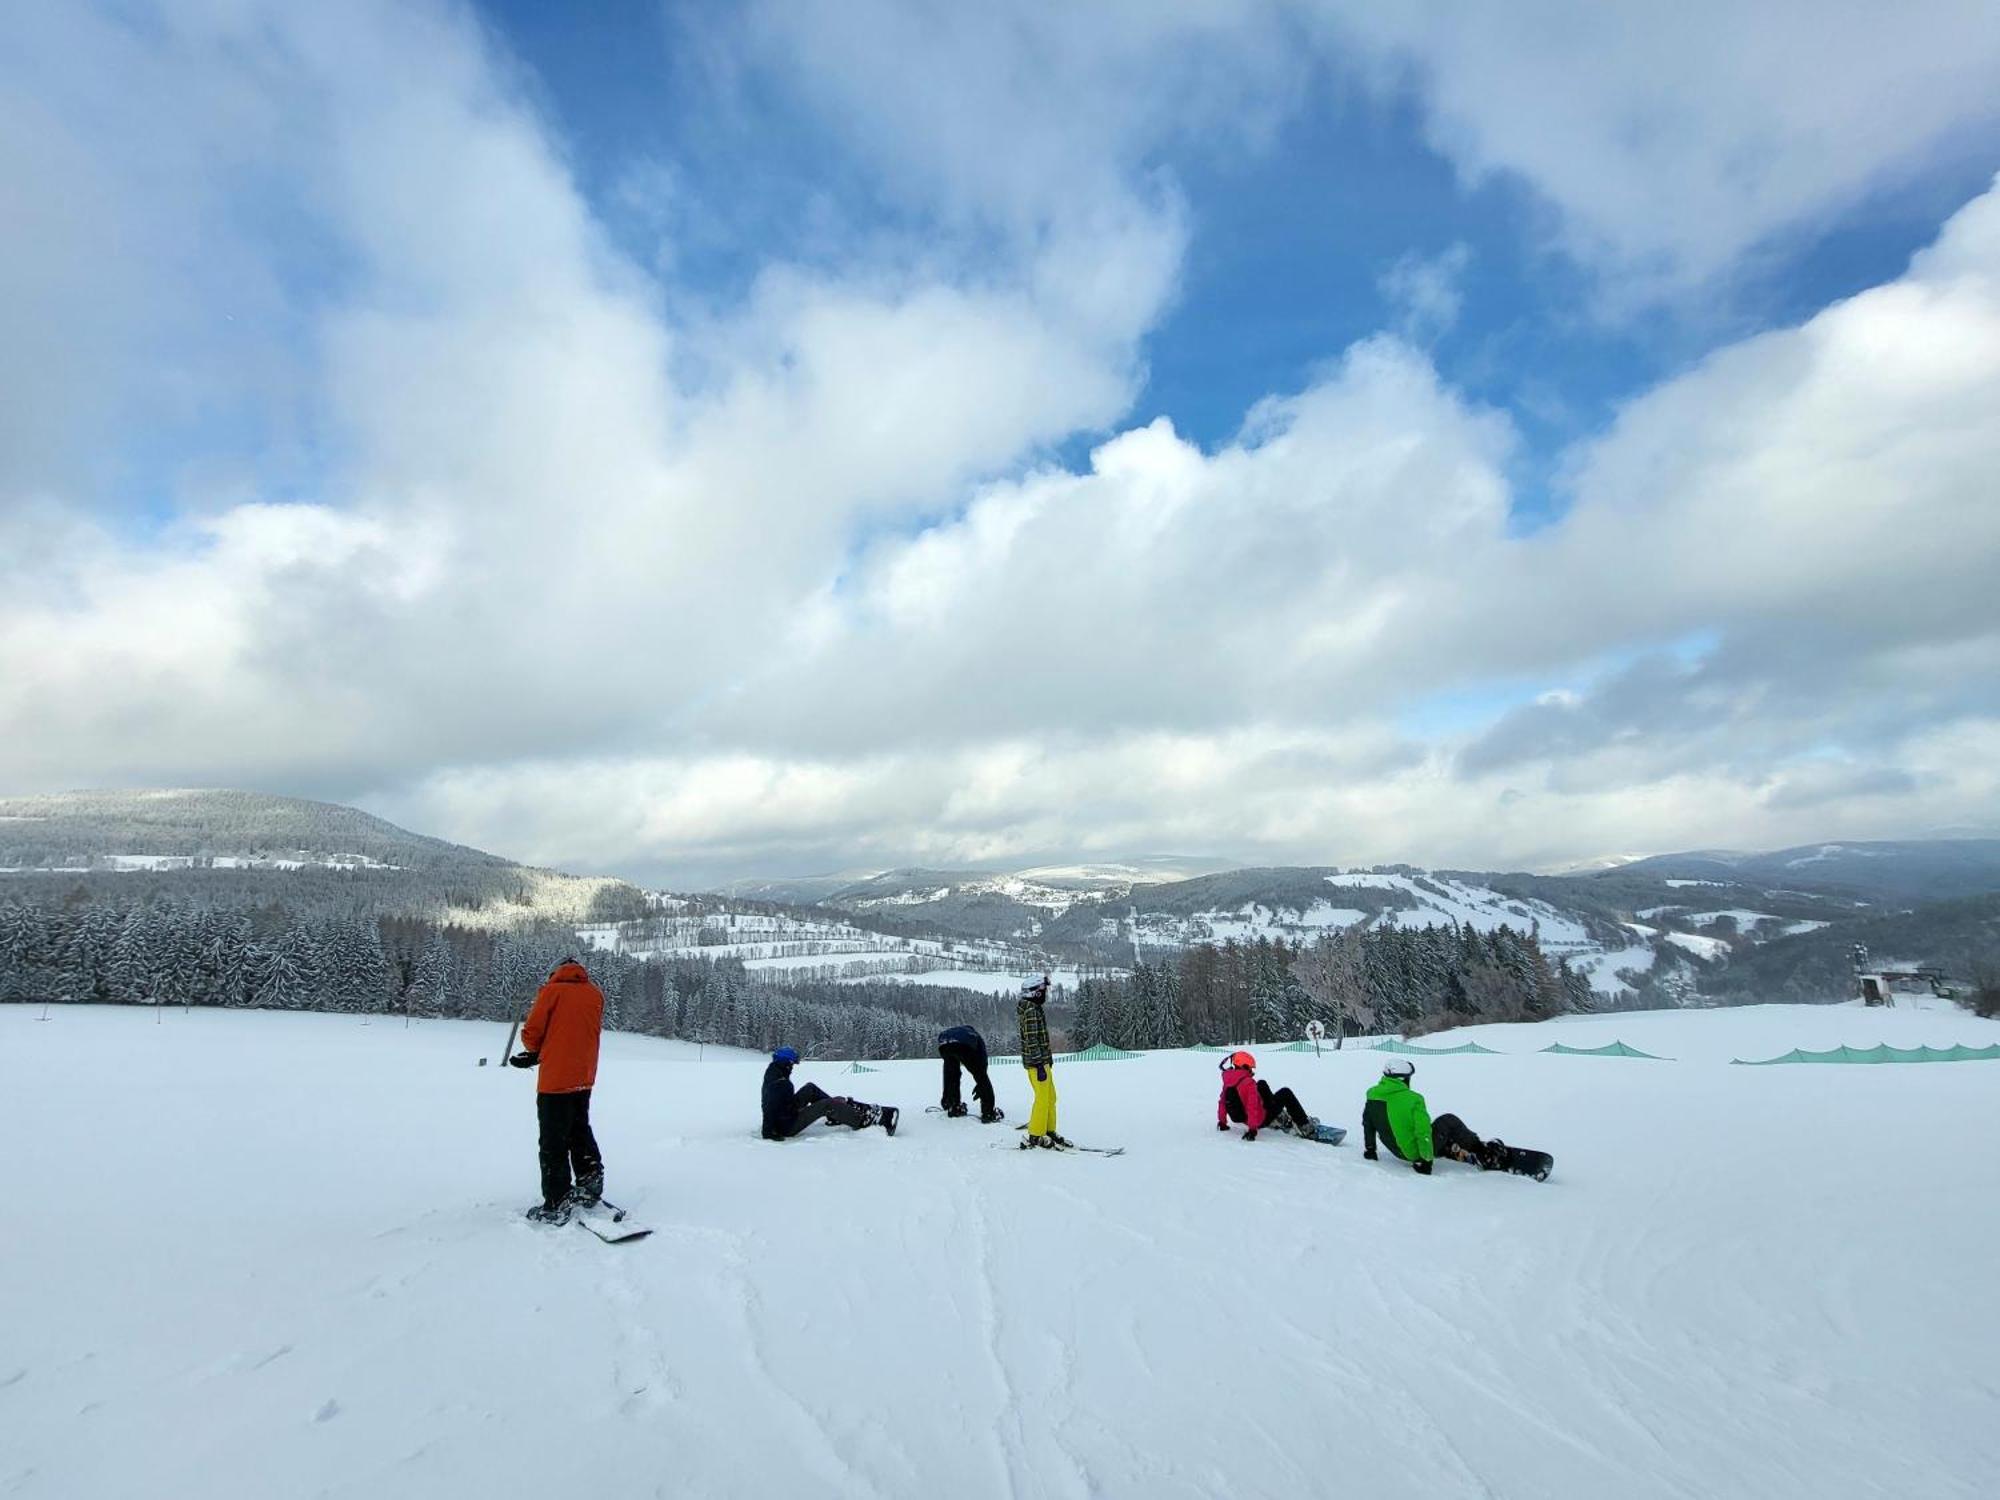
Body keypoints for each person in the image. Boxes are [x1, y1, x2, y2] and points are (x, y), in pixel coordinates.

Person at [511, 956, 607, 1224]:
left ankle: (557, 1199)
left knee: (553, 1139)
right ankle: (590, 1180)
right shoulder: (594, 993)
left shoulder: (551, 991)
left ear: (556, 971)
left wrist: (536, 1052)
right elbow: (577, 1033)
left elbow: (532, 1033)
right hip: (584, 1076)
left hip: (555, 1080)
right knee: (579, 1128)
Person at [1362, 1058, 1504, 1174]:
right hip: (1414, 1153)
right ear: (1403, 1079)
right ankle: (1484, 1153)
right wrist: (1426, 1161)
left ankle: (1446, 1146)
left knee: (1430, 1128)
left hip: (1396, 1151)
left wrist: (1370, 1150)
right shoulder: (1414, 1099)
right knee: (1448, 1120)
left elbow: (1368, 1124)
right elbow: (1422, 1131)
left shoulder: (1372, 1094)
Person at [761, 1047, 899, 1140]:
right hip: (786, 1125)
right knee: (826, 1105)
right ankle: (861, 1120)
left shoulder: (775, 1072)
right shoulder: (779, 1083)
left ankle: (837, 1113)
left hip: (786, 1111)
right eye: (792, 1064)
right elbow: (769, 1106)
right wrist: (768, 1132)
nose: (792, 1068)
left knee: (810, 1088)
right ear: (786, 1063)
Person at [1214, 1051, 1319, 1140]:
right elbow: (1252, 1106)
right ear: (1244, 1066)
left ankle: (1279, 1117)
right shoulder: (1248, 1083)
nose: (1252, 1071)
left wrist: (1222, 1123)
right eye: (1250, 1068)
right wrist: (1252, 1129)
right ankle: (1304, 1126)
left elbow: (1222, 1102)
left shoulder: (1229, 1081)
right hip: (1260, 1120)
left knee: (1261, 1084)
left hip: (1246, 1118)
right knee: (1286, 1093)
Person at [1017, 974, 1068, 1149]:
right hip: (1036, 1063)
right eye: (1043, 990)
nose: (1045, 993)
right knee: (1042, 1098)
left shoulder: (1035, 1008)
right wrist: (1039, 1065)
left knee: (1051, 1097)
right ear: (1035, 993)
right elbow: (1032, 1039)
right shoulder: (1031, 1011)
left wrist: (1047, 1061)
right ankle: (1036, 1135)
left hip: (1042, 1062)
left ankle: (1049, 1130)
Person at [937, 1024, 1003, 1122]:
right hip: (964, 1046)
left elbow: (948, 1075)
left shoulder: (959, 1033)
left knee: (951, 1074)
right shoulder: (976, 1037)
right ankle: (988, 1113)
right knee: (981, 1076)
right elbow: (982, 1066)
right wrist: (980, 1083)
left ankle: (952, 1106)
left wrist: (945, 1101)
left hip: (943, 1044)